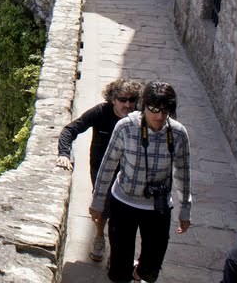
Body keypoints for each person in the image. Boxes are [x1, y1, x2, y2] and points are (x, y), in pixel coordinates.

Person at [90, 81, 191, 282]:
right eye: (154, 110)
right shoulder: (126, 127)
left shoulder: (178, 133)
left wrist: (185, 208)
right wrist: (98, 201)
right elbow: (108, 164)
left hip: (157, 207)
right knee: (119, 264)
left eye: (165, 110)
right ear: (144, 106)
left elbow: (183, 172)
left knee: (151, 266)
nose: (160, 117)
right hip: (124, 202)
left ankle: (139, 273)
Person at [57, 78, 142, 262]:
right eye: (123, 99)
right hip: (101, 167)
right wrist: (64, 153)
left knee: (122, 212)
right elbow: (71, 129)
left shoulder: (139, 118)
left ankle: (117, 251)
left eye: (132, 99)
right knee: (102, 206)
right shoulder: (101, 113)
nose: (128, 104)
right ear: (113, 99)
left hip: (128, 170)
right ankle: (98, 236)